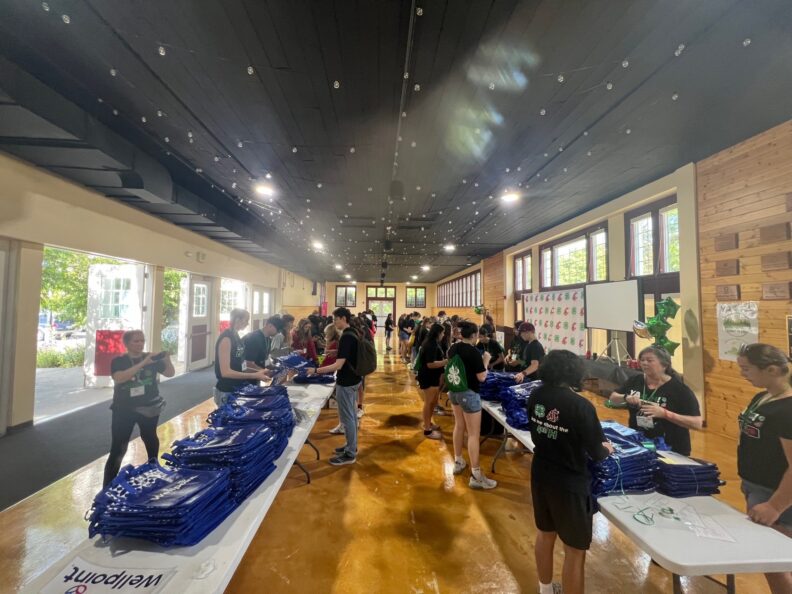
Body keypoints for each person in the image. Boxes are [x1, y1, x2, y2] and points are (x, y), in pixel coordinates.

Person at [529, 350, 614, 594]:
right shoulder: (580, 405)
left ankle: (545, 589)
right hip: (569, 481)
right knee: (575, 551)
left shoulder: (536, 395)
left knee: (545, 535)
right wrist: (608, 448)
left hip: (541, 473)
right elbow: (596, 452)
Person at [736, 343, 792, 593]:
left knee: (777, 561)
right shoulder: (763, 395)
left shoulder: (787, 409)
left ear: (771, 370)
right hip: (757, 486)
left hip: (777, 493)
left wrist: (775, 506)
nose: (742, 374)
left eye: (747, 369)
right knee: (772, 561)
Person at [103, 330, 175, 486]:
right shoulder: (119, 360)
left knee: (150, 439)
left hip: (149, 407)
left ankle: (154, 471)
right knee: (118, 448)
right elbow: (119, 377)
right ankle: (107, 486)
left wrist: (167, 359)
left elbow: (170, 373)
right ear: (127, 343)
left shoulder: (151, 358)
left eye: (142, 340)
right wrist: (143, 363)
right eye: (136, 341)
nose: (140, 344)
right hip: (124, 409)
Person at [608, 346, 701, 455]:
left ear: (664, 365)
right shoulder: (635, 381)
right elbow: (613, 398)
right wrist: (625, 397)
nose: (644, 363)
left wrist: (665, 414)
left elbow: (696, 423)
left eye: (649, 360)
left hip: (672, 449)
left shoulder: (679, 390)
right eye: (642, 360)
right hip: (640, 443)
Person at [445, 320, 497, 489]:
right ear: (474, 335)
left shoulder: (453, 348)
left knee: (459, 426)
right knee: (474, 434)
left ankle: (458, 461)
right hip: (469, 393)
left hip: (454, 391)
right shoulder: (473, 352)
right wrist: (486, 361)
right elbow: (481, 377)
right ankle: (476, 475)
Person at [307, 307, 361, 466]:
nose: (334, 322)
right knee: (350, 416)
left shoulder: (346, 337)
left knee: (348, 418)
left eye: (335, 319)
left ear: (343, 318)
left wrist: (316, 370)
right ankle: (351, 446)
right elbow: (348, 355)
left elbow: (338, 365)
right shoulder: (353, 332)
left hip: (347, 381)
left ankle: (350, 453)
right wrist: (336, 352)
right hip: (354, 379)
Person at [214, 308, 271, 406]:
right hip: (226, 390)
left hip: (237, 387)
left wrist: (259, 371)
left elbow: (241, 365)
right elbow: (225, 372)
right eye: (246, 320)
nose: (248, 323)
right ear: (237, 320)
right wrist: (254, 375)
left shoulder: (236, 336)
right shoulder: (226, 338)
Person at [417, 323, 447, 439]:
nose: (444, 335)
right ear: (438, 333)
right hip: (428, 376)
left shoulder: (433, 342)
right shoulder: (431, 344)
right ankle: (427, 430)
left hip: (433, 376)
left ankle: (429, 423)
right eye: (443, 332)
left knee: (433, 402)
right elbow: (430, 364)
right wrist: (445, 362)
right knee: (429, 403)